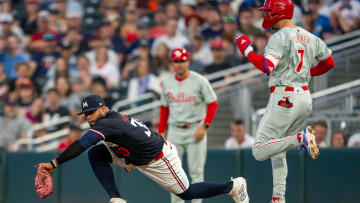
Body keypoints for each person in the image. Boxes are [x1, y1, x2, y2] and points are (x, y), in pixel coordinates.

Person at [37, 94, 249, 203]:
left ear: (103, 109)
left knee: (186, 193)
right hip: (137, 154)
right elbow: (121, 140)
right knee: (97, 154)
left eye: (92, 112)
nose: (89, 118)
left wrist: (54, 163)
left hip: (159, 158)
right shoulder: (108, 121)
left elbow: (81, 144)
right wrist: (126, 159)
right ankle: (116, 198)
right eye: (86, 115)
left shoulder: (108, 122)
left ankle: (232, 186)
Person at [235, 0, 335, 202]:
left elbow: (266, 65)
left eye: (268, 11)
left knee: (259, 150)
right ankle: (278, 198)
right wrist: (308, 72)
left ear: (277, 12)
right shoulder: (309, 36)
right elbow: (329, 63)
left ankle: (301, 139)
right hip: (304, 97)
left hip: (284, 97)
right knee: (277, 150)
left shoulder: (278, 37)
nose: (265, 15)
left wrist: (247, 50)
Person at [157, 48, 220, 203]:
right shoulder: (167, 82)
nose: (179, 64)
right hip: (175, 131)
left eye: (182, 61)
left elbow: (212, 104)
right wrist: (161, 131)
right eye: (176, 61)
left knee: (196, 173)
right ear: (172, 63)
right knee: (172, 173)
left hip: (195, 129)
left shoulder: (199, 80)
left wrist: (204, 127)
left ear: (188, 61)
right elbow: (164, 108)